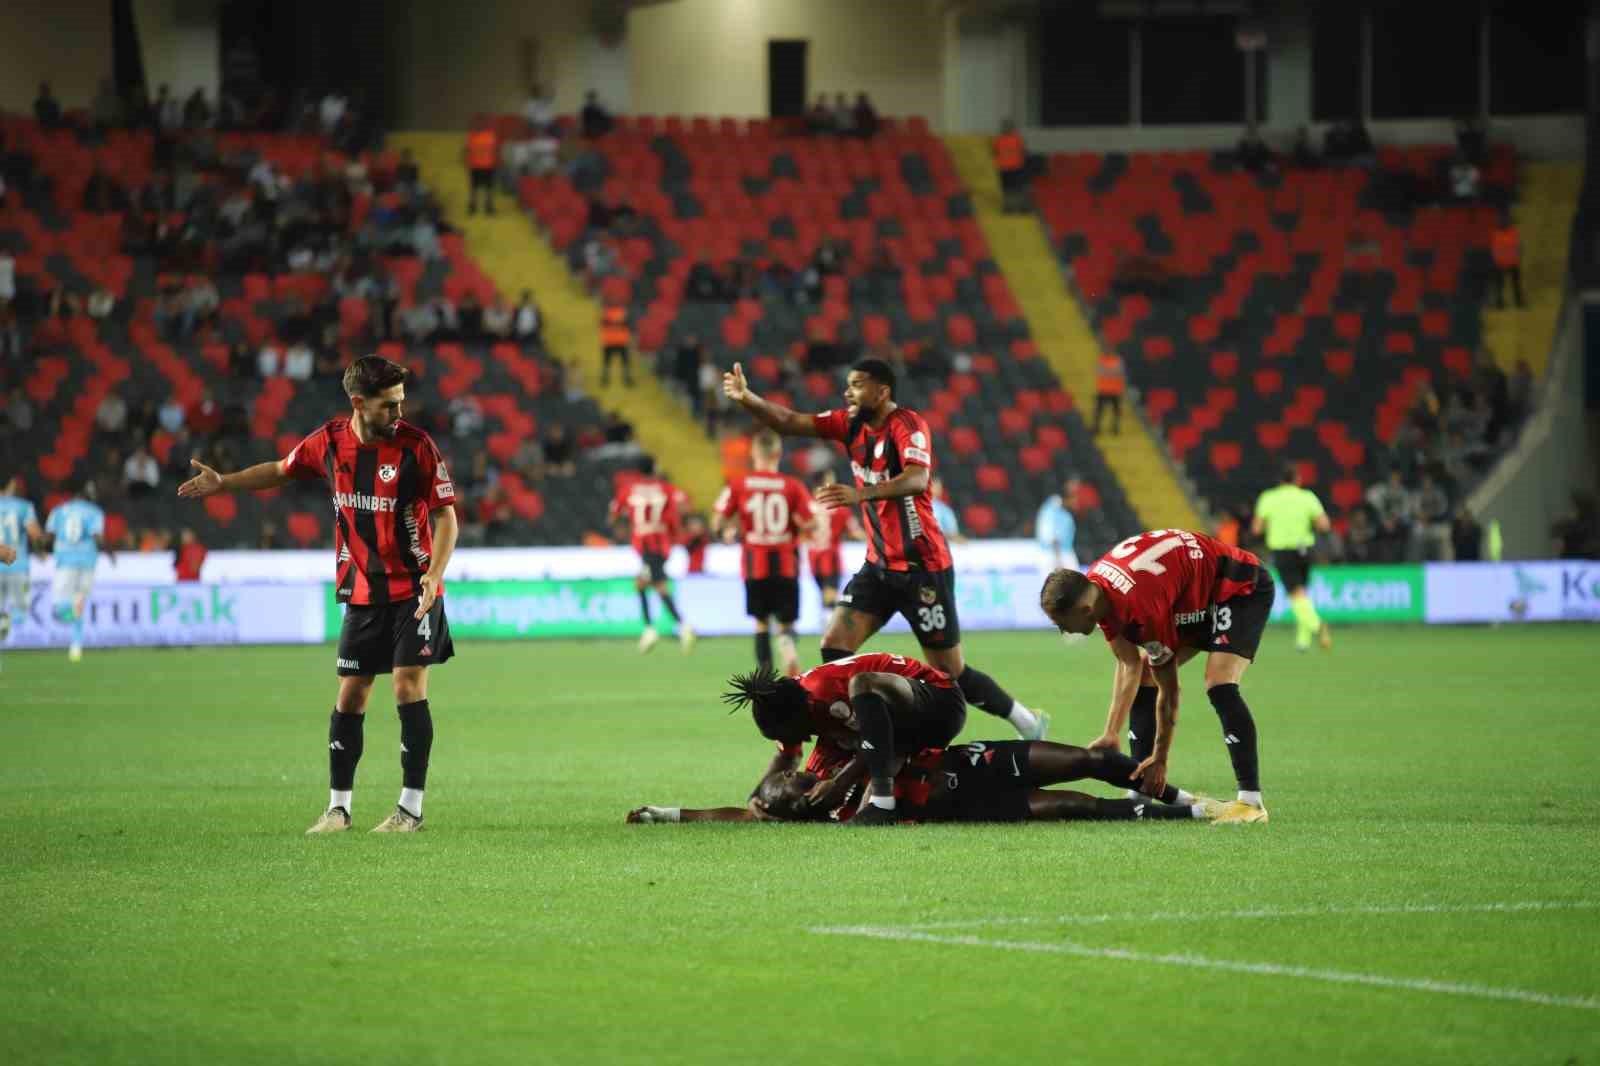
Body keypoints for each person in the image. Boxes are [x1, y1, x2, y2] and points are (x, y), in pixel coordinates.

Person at [178, 356, 458, 835]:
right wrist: (225, 483)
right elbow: (280, 469)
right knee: (351, 694)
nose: (399, 413)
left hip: (415, 589)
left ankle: (409, 810)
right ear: (358, 403)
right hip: (363, 590)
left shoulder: (418, 448)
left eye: (401, 403)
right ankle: (338, 810)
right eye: (389, 405)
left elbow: (447, 517)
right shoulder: (328, 443)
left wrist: (434, 574)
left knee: (408, 685)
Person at [723, 357, 1048, 741]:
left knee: (951, 673)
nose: (848, 392)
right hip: (878, 567)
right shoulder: (850, 424)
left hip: (922, 569)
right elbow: (791, 422)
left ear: (883, 391)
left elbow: (917, 478)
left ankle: (1026, 721)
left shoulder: (907, 426)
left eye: (857, 384)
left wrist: (860, 493)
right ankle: (857, 731)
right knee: (834, 645)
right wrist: (747, 398)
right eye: (847, 384)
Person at [1039, 528, 1275, 825]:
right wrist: (1111, 731)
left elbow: (1171, 691)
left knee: (1219, 683)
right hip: (1191, 595)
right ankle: (1140, 790)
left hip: (1238, 585)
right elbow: (1128, 664)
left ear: (1085, 610)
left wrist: (1161, 758)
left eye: (1062, 623)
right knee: (1146, 676)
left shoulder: (1141, 611)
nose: (1063, 631)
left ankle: (1251, 804)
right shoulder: (1098, 588)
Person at [628, 737, 1219, 825]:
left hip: (962, 763)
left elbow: (782, 753)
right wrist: (669, 815)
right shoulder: (827, 812)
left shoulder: (821, 768)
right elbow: (733, 815)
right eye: (789, 792)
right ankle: (1184, 815)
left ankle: (1181, 794)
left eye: (790, 778)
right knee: (1074, 805)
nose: (793, 783)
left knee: (1086, 757)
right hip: (956, 809)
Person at [721, 653, 969, 826]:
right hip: (902, 721)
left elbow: (879, 735)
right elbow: (788, 756)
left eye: (793, 736)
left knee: (859, 706)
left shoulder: (822, 696)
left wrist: (841, 781)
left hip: (941, 703)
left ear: (797, 721)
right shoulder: (788, 705)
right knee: (833, 760)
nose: (803, 742)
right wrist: (757, 800)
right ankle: (874, 805)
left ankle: (881, 803)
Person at [712, 430, 816, 677]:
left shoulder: (739, 484)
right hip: (786, 563)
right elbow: (811, 524)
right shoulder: (793, 486)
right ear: (778, 454)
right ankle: (788, 649)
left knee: (761, 623)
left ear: (753, 454)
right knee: (786, 623)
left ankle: (767, 678)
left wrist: (733, 529)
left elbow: (718, 521)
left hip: (754, 564)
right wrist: (795, 527)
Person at [608, 456, 696, 653]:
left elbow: (614, 513)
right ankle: (678, 626)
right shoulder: (666, 489)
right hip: (661, 544)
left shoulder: (628, 490)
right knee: (653, 585)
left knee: (648, 584)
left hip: (647, 546)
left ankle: (660, 628)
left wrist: (622, 523)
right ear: (654, 469)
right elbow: (683, 506)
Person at [1251, 465, 1332, 652]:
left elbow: (1256, 528)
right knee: (1302, 593)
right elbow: (1324, 524)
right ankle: (1302, 642)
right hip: (1305, 550)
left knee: (1296, 595)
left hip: (1283, 550)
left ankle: (1317, 625)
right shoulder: (1307, 497)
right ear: (1297, 480)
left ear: (1280, 481)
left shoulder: (1269, 498)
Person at [44, 484, 110, 663]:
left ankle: (76, 640)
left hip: (65, 561)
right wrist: (110, 552)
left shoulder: (58, 511)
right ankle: (76, 645)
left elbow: (48, 536)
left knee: (59, 607)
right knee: (79, 601)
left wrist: (42, 550)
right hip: (87, 561)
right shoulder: (94, 512)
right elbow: (97, 537)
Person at [0, 476, 44, 657]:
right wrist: (40, 550)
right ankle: (7, 620)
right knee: (20, 611)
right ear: (11, 484)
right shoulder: (24, 507)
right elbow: (34, 534)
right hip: (18, 565)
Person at [805, 470, 858, 611]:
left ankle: (828, 625)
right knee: (830, 597)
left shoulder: (806, 507)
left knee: (825, 594)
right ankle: (832, 627)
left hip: (813, 558)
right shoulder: (839, 508)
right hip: (831, 557)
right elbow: (855, 532)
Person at [1034, 478, 1081, 570]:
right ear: (1067, 497)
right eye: (1074, 497)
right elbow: (1051, 537)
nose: (1076, 501)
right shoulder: (1050, 510)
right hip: (1053, 555)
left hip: (1063, 552)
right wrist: (1058, 560)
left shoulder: (1065, 513)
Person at [992, 119, 1027, 214]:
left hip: (1006, 168)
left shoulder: (999, 139)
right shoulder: (1017, 139)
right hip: (1014, 167)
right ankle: (1019, 207)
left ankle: (1009, 208)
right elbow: (1023, 152)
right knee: (1016, 189)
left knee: (1008, 189)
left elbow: (995, 152)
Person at [465, 118, 498, 216]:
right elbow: (495, 150)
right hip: (483, 166)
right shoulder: (490, 136)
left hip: (481, 166)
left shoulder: (472, 136)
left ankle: (477, 207)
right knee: (481, 188)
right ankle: (483, 207)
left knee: (478, 188)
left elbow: (467, 150)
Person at [1490, 217, 1524, 310]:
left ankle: (1504, 302)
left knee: (1503, 284)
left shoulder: (1496, 233)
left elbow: (1518, 246)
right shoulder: (1509, 232)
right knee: (1510, 284)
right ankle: (1516, 301)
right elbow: (1518, 247)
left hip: (1505, 263)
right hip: (1506, 263)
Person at [599, 302, 632, 387]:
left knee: (623, 362)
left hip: (618, 340)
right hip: (612, 340)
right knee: (608, 362)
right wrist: (617, 323)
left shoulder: (618, 312)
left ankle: (625, 378)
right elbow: (603, 324)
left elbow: (627, 324)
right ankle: (606, 378)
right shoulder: (609, 313)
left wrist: (614, 323)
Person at [1093, 351, 1126, 435]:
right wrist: (1113, 372)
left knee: (1116, 411)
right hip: (1104, 389)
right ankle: (1097, 427)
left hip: (1115, 390)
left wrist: (1108, 372)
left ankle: (1115, 427)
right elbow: (1100, 372)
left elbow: (1120, 373)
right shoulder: (1103, 360)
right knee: (1099, 410)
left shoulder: (1117, 360)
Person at [929, 476, 964, 544]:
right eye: (934, 486)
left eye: (939, 487)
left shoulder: (944, 510)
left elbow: (953, 534)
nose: (938, 489)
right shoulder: (914, 506)